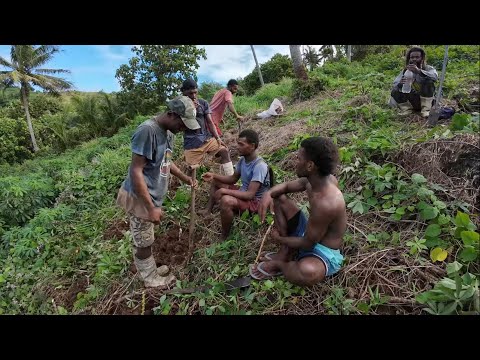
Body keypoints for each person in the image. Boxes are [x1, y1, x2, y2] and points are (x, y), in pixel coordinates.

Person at [116, 96, 199, 288]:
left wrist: (185, 178)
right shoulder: (148, 131)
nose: (183, 129)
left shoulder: (168, 132)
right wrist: (150, 207)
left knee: (147, 236)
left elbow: (166, 161)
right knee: (143, 239)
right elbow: (135, 171)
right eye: (182, 123)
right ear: (171, 114)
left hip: (151, 196)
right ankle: (149, 278)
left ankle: (150, 269)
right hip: (140, 197)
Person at [249, 136, 347, 287]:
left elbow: (308, 243)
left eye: (299, 158)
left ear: (310, 166)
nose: (296, 162)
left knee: (308, 272)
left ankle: (281, 265)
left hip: (322, 251)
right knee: (279, 197)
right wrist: (268, 194)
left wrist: (279, 239)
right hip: (309, 233)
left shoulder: (327, 203)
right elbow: (286, 187)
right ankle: (286, 252)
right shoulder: (313, 180)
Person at [200, 129, 273, 240]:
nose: (237, 146)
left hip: (254, 203)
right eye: (237, 143)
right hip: (244, 192)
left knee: (226, 201)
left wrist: (225, 191)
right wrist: (214, 175)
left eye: (241, 144)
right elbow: (233, 179)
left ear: (252, 146)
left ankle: (225, 235)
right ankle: (208, 211)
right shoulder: (243, 160)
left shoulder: (259, 166)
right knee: (216, 182)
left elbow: (250, 195)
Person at [181, 79, 234, 175]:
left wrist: (217, 138)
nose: (193, 96)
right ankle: (188, 188)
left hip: (207, 139)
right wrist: (191, 109)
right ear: (183, 92)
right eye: (190, 93)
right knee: (191, 170)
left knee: (224, 152)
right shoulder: (179, 106)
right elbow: (179, 125)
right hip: (192, 144)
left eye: (195, 93)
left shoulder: (203, 103)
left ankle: (228, 180)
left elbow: (210, 122)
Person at [390, 46, 438, 117]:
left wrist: (419, 71)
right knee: (396, 89)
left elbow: (435, 77)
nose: (414, 59)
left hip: (426, 99)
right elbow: (395, 83)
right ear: (409, 59)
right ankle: (407, 110)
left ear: (422, 58)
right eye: (412, 57)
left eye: (417, 57)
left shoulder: (428, 68)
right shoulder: (406, 71)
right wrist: (400, 83)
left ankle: (426, 110)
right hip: (412, 99)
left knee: (428, 82)